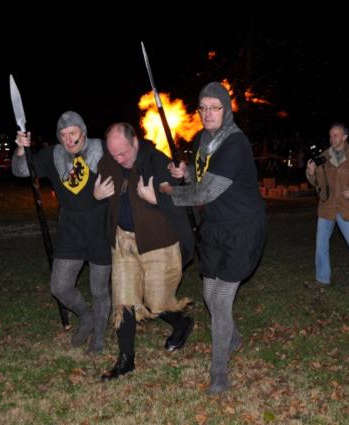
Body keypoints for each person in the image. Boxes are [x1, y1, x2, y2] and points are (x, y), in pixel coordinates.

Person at [160, 82, 267, 395]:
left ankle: (219, 373)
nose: (208, 113)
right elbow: (201, 177)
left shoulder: (235, 144)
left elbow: (205, 193)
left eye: (214, 107)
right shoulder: (203, 140)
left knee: (220, 301)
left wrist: (170, 192)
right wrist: (184, 174)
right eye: (203, 108)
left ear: (226, 110)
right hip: (215, 227)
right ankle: (232, 337)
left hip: (242, 229)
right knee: (209, 294)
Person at [94, 122, 195, 381]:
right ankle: (126, 359)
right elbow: (87, 190)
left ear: (135, 142)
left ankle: (182, 322)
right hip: (124, 241)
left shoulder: (156, 161)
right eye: (113, 154)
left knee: (157, 302)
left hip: (157, 241)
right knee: (123, 299)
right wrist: (95, 194)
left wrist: (157, 198)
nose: (119, 159)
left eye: (123, 153)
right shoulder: (107, 163)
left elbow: (179, 193)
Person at [12, 111, 112, 353]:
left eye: (73, 133)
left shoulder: (103, 148)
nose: (68, 139)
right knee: (59, 287)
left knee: (99, 290)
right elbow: (21, 171)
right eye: (63, 135)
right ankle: (86, 317)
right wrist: (21, 149)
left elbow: (127, 168)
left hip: (101, 228)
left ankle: (99, 336)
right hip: (70, 231)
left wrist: (104, 195)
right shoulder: (53, 154)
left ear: (83, 132)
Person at [305, 123, 349, 289]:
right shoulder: (323, 156)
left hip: (347, 207)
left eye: (336, 135)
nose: (332, 138)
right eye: (330, 135)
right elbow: (317, 182)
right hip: (327, 207)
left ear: (345, 137)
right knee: (321, 244)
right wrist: (311, 173)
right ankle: (322, 279)